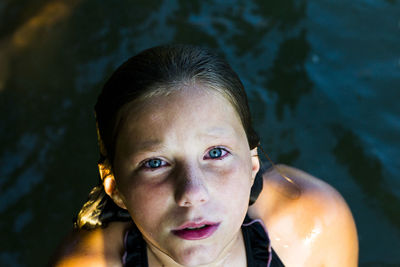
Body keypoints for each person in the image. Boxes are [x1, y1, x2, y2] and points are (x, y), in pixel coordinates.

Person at [51, 45, 358, 266]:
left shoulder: (313, 229)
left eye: (216, 153)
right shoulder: (88, 263)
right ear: (115, 186)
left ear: (252, 163)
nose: (192, 193)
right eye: (155, 163)